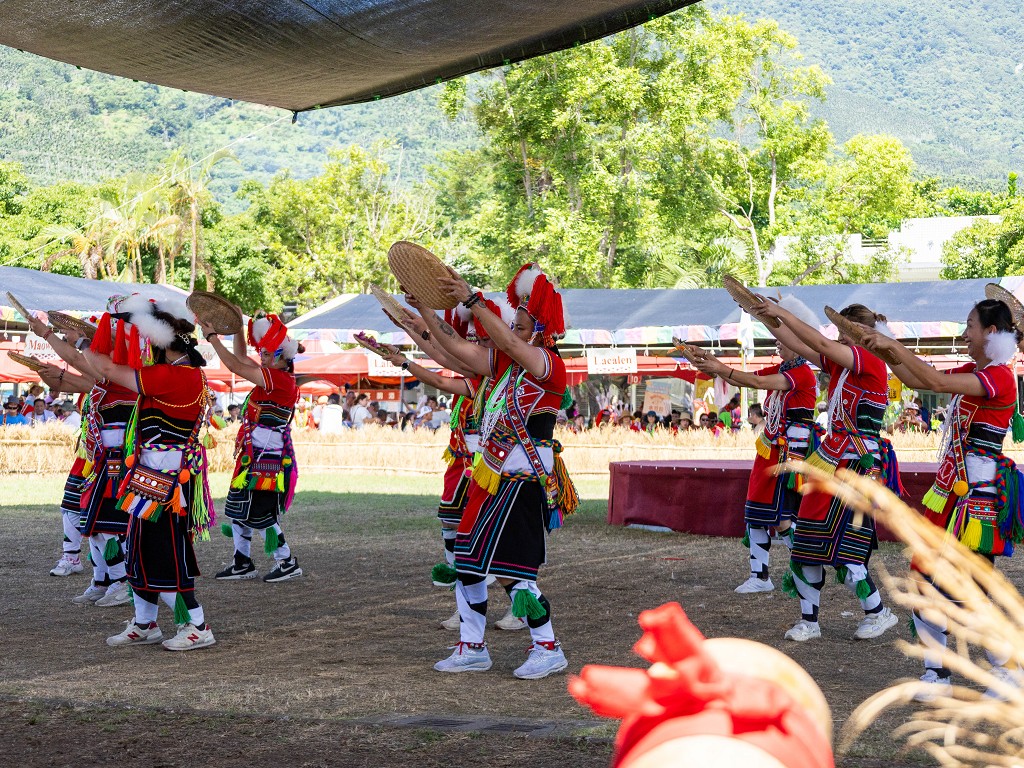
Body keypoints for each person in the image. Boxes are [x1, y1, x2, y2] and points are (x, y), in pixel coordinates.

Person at [419, 261, 577, 679]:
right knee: (469, 562)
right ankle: (472, 646)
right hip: (490, 477)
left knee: (513, 573)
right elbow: (456, 349)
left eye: (521, 327)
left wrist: (471, 299)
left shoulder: (548, 365)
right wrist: (425, 312)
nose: (511, 332)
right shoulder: (508, 367)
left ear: (540, 332)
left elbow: (502, 339)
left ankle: (548, 647)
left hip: (521, 481)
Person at [860, 298, 1024, 697]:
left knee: (964, 592)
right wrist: (883, 344)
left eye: (970, 325)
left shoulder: (1000, 377)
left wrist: (891, 345)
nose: (964, 333)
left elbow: (933, 383)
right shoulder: (976, 372)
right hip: (953, 495)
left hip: (975, 502)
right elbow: (917, 378)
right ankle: (937, 675)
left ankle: (1010, 671)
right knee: (924, 581)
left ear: (991, 332)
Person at [750, 299, 901, 643]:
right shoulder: (843, 366)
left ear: (862, 334)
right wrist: (764, 317)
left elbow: (817, 343)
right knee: (806, 542)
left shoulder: (870, 360)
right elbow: (803, 344)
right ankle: (809, 621)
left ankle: (878, 612)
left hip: (857, 464)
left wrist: (782, 313)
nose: (837, 338)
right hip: (830, 461)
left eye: (844, 332)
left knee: (846, 550)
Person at [85, 294, 217, 651]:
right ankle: (145, 623)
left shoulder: (171, 376)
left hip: (165, 483)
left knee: (165, 554)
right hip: (154, 478)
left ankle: (198, 626)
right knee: (140, 551)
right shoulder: (185, 373)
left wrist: (91, 339)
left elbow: (106, 368)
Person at [693, 329, 818, 595]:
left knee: (782, 519)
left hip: (789, 455)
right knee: (756, 513)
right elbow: (746, 377)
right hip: (771, 450)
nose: (777, 343)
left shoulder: (802, 373)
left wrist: (718, 367)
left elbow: (756, 382)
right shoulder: (786, 368)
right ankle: (760, 575)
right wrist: (708, 361)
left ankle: (806, 570)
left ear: (797, 342)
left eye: (782, 339)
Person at [202, 312, 305, 583]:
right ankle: (242, 562)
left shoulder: (279, 380)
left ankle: (286, 561)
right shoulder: (271, 375)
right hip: (254, 456)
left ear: (283, 357)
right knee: (238, 510)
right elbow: (240, 358)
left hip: (266, 459)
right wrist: (238, 327)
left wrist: (213, 338)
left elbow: (235, 365)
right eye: (262, 353)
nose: (263, 357)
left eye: (268, 354)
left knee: (261, 514)